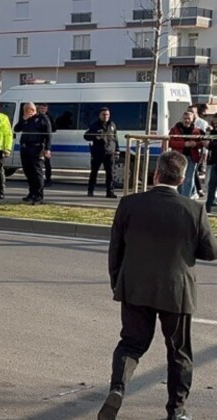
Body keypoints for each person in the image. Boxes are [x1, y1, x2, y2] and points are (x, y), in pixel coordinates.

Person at [99, 150, 217, 420]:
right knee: (179, 352)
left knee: (130, 344)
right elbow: (210, 251)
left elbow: (115, 249)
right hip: (176, 291)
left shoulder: (129, 204)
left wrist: (118, 282)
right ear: (183, 177)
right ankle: (176, 411)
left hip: (135, 287)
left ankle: (118, 388)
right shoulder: (194, 209)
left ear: (156, 173)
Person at [14, 102, 52, 205]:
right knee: (28, 172)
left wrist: (47, 148)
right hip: (25, 148)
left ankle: (39, 196)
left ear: (34, 109)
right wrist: (23, 120)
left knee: (36, 173)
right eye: (26, 110)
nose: (28, 112)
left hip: (36, 148)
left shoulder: (42, 119)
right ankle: (32, 193)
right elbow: (16, 129)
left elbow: (48, 134)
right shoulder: (25, 120)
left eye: (30, 110)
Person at [168, 111, 207, 198]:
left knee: (188, 180)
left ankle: (186, 199)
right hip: (178, 158)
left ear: (192, 119)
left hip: (191, 158)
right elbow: (170, 142)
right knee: (178, 178)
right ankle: (179, 198)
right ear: (182, 119)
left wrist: (195, 144)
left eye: (188, 118)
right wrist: (184, 144)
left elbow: (202, 142)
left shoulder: (197, 131)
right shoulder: (174, 130)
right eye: (185, 118)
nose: (186, 120)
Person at [84, 107, 119, 198]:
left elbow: (115, 138)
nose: (105, 116)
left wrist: (117, 150)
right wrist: (95, 136)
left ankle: (110, 192)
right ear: (100, 115)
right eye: (103, 114)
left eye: (107, 114)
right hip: (98, 152)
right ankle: (90, 190)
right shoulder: (95, 125)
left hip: (109, 152)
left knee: (110, 173)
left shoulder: (112, 125)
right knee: (94, 172)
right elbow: (86, 136)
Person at [38, 103, 56, 186]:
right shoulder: (37, 117)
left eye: (44, 109)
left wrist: (47, 147)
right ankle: (39, 179)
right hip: (38, 142)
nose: (43, 110)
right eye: (41, 108)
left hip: (45, 143)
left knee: (47, 163)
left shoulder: (48, 118)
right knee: (39, 163)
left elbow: (52, 130)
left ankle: (48, 179)